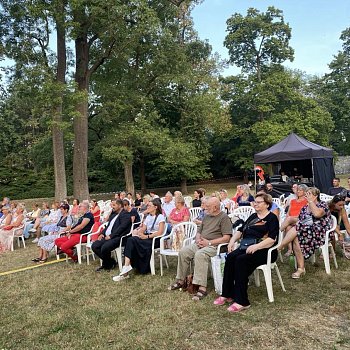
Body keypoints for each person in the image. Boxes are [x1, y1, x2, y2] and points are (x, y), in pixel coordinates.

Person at [214, 193, 279, 312]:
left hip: (265, 250)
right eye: (255, 201)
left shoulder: (272, 218)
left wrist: (257, 246)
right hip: (246, 247)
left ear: (267, 204)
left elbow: (272, 239)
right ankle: (227, 294)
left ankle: (242, 301)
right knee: (231, 257)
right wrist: (232, 241)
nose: (255, 204)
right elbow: (240, 230)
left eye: (259, 202)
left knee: (241, 260)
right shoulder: (253, 216)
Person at [168, 197, 232, 301]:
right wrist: (198, 239)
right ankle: (181, 280)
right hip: (201, 243)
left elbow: (226, 238)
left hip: (215, 246)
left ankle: (202, 287)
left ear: (215, 207)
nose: (205, 208)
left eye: (208, 207)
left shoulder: (224, 218)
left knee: (200, 254)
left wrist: (209, 242)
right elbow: (199, 231)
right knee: (184, 251)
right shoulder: (207, 216)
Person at [279, 187, 332, 278]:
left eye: (309, 194)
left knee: (297, 228)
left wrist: (311, 202)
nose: (306, 196)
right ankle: (300, 269)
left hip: (320, 232)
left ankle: (280, 246)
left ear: (316, 196)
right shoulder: (305, 207)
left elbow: (317, 214)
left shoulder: (323, 204)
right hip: (306, 230)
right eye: (306, 194)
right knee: (296, 235)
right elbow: (301, 220)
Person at [112, 199, 166, 280]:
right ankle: (126, 267)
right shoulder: (148, 217)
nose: (147, 207)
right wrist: (139, 232)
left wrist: (146, 237)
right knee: (131, 239)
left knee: (133, 241)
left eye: (149, 205)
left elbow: (160, 232)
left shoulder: (160, 217)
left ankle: (127, 270)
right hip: (147, 237)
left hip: (156, 239)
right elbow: (143, 229)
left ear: (155, 207)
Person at [92, 199, 134, 271]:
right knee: (95, 246)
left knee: (104, 248)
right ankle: (111, 262)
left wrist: (111, 236)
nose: (112, 207)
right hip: (108, 237)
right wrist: (102, 233)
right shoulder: (113, 215)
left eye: (114, 205)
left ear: (120, 206)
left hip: (118, 237)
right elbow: (108, 226)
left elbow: (122, 228)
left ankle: (106, 265)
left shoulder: (126, 214)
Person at [280, 184, 308, 257]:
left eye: (300, 190)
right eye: (298, 190)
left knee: (289, 219)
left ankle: (278, 233)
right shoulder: (293, 201)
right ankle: (290, 249)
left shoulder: (306, 201)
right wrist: (289, 218)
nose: (298, 191)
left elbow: (306, 213)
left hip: (301, 219)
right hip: (291, 220)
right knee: (288, 227)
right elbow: (288, 213)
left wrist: (291, 218)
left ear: (305, 192)